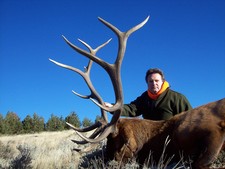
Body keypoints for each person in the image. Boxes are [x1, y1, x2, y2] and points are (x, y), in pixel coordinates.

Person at [105, 68, 192, 120]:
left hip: (172, 141)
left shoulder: (177, 98)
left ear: (163, 82)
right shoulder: (144, 98)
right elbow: (131, 109)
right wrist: (112, 107)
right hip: (150, 140)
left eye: (157, 81)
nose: (154, 83)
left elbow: (191, 118)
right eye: (151, 81)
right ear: (147, 83)